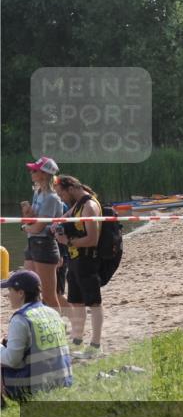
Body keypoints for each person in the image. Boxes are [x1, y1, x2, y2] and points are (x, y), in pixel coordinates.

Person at [51, 176, 104, 359]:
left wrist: (68, 241)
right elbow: (63, 218)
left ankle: (96, 344)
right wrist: (56, 226)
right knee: (76, 301)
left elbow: (92, 239)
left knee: (94, 303)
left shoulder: (89, 206)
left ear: (71, 188)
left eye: (61, 194)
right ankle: (77, 341)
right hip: (75, 260)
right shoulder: (77, 204)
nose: (62, 199)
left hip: (87, 260)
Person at [1, 270, 73, 402]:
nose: (7, 295)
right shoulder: (53, 313)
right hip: (61, 381)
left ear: (21, 293)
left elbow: (12, 360)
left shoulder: (20, 319)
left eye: (10, 290)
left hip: (33, 387)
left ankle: (1, 405)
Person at [19, 157, 63, 311]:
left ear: (44, 174)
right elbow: (34, 221)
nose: (31, 172)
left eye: (34, 170)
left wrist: (25, 228)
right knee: (28, 288)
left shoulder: (51, 198)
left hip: (44, 245)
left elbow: (38, 228)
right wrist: (27, 213)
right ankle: (36, 325)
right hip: (33, 244)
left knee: (49, 296)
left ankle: (58, 329)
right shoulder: (38, 193)